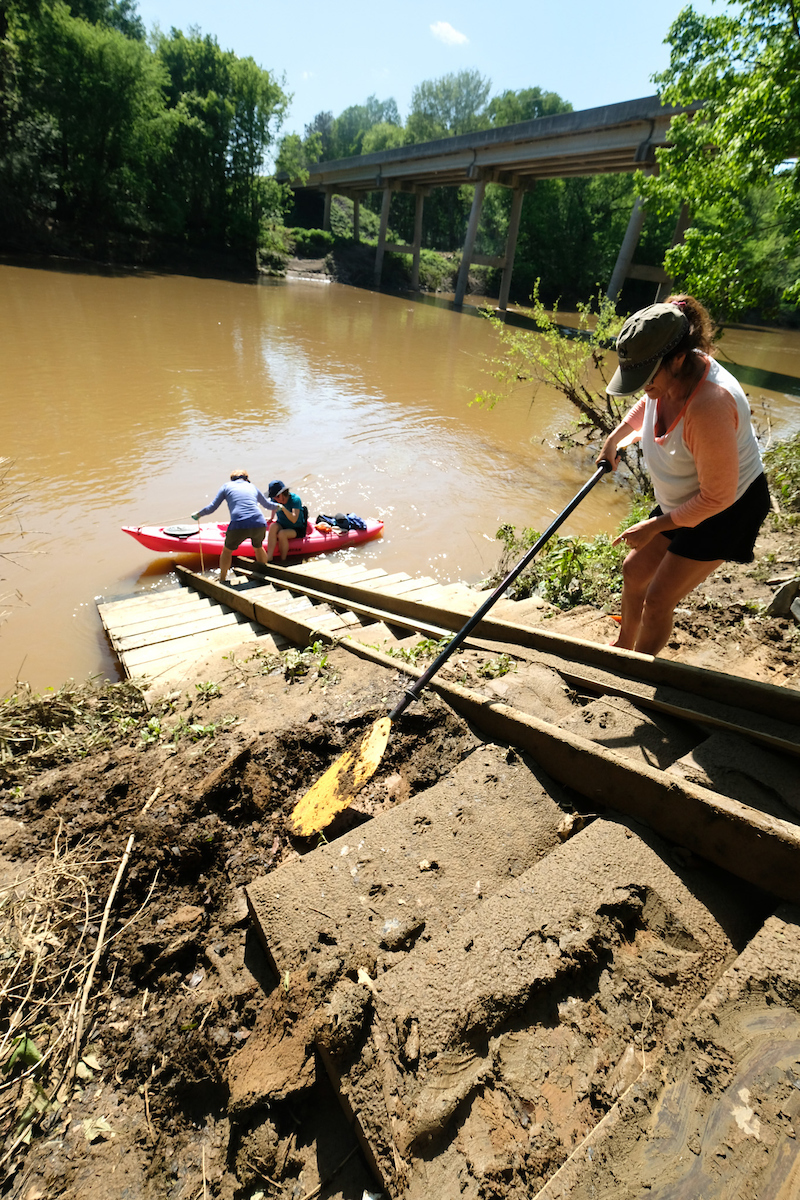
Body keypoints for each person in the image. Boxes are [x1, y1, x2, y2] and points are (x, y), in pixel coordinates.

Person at [597, 294, 770, 656]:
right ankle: (624, 644)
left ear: (677, 359)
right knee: (634, 572)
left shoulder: (710, 405)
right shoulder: (671, 373)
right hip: (688, 497)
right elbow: (650, 398)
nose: (643, 385)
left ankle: (638, 669)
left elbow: (717, 497)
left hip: (727, 509)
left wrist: (655, 526)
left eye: (646, 376)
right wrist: (615, 439)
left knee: (659, 599)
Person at [191, 469, 279, 583]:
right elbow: (268, 505)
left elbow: (212, 507)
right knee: (258, 547)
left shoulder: (226, 486)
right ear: (246, 478)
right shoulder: (252, 486)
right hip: (259, 522)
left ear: (231, 479)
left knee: (227, 551)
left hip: (239, 524)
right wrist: (278, 506)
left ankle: (222, 579)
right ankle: (264, 574)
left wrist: (198, 514)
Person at [266, 480, 307, 563]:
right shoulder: (275, 500)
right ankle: (269, 558)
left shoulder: (295, 500)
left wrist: (283, 508)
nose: (275, 499)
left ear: (282, 493)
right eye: (274, 497)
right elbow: (274, 508)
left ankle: (283, 560)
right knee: (273, 526)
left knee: (282, 534)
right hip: (282, 524)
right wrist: (271, 518)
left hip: (296, 528)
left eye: (277, 497)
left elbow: (294, 519)